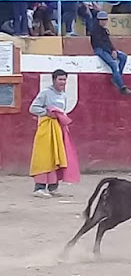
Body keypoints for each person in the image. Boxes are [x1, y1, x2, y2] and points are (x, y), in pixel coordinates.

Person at [29, 69, 80, 198]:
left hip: (58, 129)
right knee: (45, 156)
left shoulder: (63, 95)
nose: (63, 82)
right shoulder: (45, 93)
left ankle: (53, 187)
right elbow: (33, 108)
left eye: (64, 79)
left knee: (58, 156)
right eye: (60, 79)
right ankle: (39, 188)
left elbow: (63, 112)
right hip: (46, 128)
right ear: (54, 80)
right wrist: (47, 113)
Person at [91, 11, 131, 95]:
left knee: (123, 57)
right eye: (102, 20)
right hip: (100, 49)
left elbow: (107, 42)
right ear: (98, 20)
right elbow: (100, 43)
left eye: (105, 20)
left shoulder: (102, 30)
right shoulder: (95, 30)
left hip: (106, 49)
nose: (104, 21)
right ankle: (121, 86)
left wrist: (113, 49)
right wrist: (111, 51)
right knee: (113, 64)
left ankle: (116, 77)